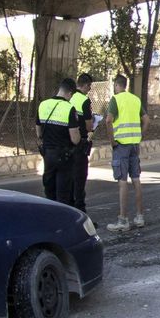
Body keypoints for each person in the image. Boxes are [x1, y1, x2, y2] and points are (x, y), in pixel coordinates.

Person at [106, 73, 145, 232]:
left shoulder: (116, 99)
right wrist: (139, 136)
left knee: (122, 181)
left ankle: (123, 220)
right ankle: (139, 216)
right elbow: (147, 120)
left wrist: (112, 140)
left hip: (121, 146)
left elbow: (108, 120)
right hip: (134, 145)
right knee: (136, 179)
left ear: (116, 85)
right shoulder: (136, 100)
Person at [36, 78, 81, 205]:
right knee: (63, 195)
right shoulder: (69, 108)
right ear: (70, 93)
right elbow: (75, 139)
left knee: (50, 193)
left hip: (48, 155)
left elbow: (39, 133)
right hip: (64, 157)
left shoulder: (43, 105)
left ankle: (50, 220)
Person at [69, 73, 95, 215]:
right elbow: (89, 125)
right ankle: (81, 213)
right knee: (79, 179)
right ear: (85, 85)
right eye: (89, 87)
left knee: (69, 179)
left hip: (66, 143)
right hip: (80, 144)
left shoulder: (68, 96)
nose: (89, 89)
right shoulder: (84, 101)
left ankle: (69, 209)